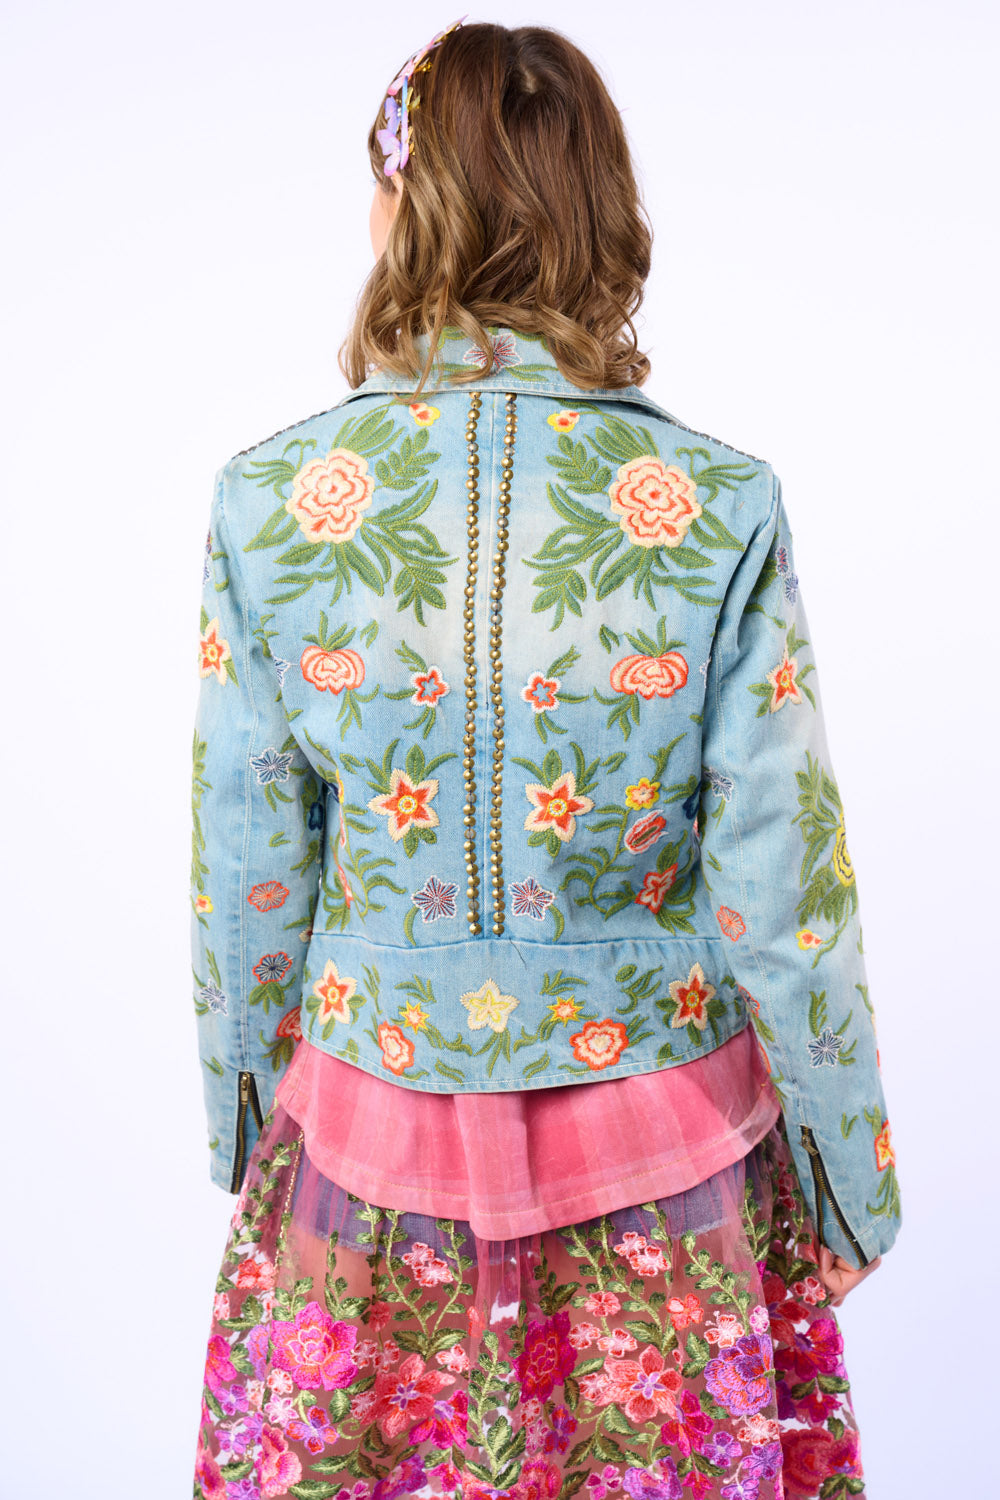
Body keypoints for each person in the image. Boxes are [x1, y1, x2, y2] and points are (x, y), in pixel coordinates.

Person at [189, 19, 900, 1500]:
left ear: (405, 205)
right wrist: (849, 1178)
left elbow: (247, 867)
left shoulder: (272, 502)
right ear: (597, 207)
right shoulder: (717, 501)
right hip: (665, 1148)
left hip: (366, 1143)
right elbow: (786, 886)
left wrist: (250, 1130)